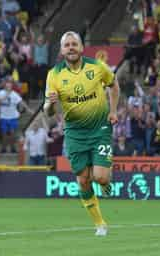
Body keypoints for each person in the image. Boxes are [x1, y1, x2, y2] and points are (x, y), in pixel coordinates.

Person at [43, 31, 120, 236]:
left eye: (74, 44)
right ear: (61, 50)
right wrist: (50, 103)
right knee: (84, 180)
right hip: (75, 133)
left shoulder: (97, 67)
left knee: (101, 178)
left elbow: (113, 85)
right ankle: (100, 224)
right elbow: (47, 112)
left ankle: (105, 181)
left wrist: (113, 111)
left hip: (100, 128)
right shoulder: (54, 75)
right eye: (67, 44)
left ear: (81, 47)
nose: (70, 47)